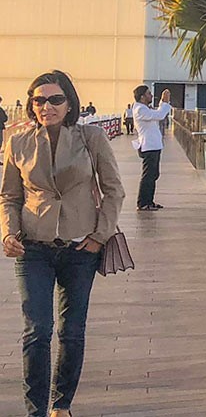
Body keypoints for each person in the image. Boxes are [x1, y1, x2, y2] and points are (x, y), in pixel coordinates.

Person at [2, 69, 125, 417]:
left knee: (71, 332)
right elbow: (9, 195)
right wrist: (8, 232)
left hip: (79, 249)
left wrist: (99, 236)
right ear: (31, 104)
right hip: (33, 248)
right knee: (37, 330)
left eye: (55, 99)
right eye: (39, 100)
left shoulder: (92, 137)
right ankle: (35, 410)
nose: (47, 106)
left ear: (69, 103)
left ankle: (61, 404)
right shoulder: (18, 141)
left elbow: (114, 189)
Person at [131, 85, 171, 211]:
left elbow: (157, 114)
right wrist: (164, 102)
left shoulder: (144, 108)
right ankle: (142, 202)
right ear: (142, 97)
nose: (151, 95)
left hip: (154, 145)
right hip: (149, 146)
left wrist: (162, 103)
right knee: (148, 175)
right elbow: (159, 115)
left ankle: (149, 201)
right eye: (149, 93)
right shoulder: (140, 110)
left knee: (153, 174)